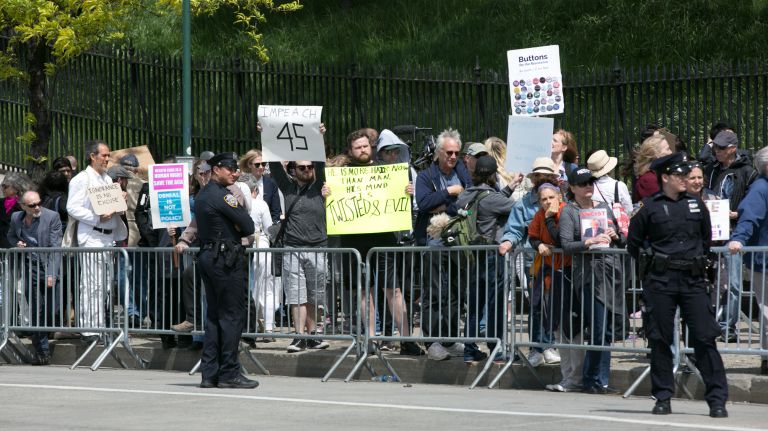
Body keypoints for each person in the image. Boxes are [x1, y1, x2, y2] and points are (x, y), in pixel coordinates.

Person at [627, 152, 728, 418]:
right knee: (660, 339)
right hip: (661, 281)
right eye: (680, 175)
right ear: (666, 177)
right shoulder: (649, 207)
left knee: (705, 337)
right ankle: (662, 397)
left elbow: (706, 240)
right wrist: (654, 266)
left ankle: (717, 399)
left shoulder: (696, 205)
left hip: (693, 280)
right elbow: (633, 244)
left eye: (687, 174)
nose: (686, 179)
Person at [326, 130, 423, 356]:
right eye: (357, 147)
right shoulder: (342, 174)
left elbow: (405, 203)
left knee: (393, 290)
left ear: (371, 148)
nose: (362, 150)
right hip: (354, 239)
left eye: (365, 146)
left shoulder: (387, 171)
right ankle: (370, 338)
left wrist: (407, 192)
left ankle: (406, 339)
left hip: (383, 238)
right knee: (363, 292)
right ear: (350, 151)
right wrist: (327, 193)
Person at [194, 152, 258, 389]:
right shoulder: (223, 196)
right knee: (231, 317)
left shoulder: (202, 194)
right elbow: (249, 226)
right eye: (230, 169)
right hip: (225, 259)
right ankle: (229, 373)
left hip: (210, 255)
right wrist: (237, 225)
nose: (235, 173)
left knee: (214, 316)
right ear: (217, 169)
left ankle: (210, 373)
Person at [560, 167, 626, 394]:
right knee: (598, 327)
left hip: (610, 272)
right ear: (573, 188)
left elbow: (620, 238)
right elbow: (567, 245)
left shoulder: (603, 207)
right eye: (582, 183)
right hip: (587, 276)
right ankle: (591, 378)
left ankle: (602, 380)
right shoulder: (569, 211)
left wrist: (617, 236)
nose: (588, 186)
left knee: (607, 330)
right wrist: (588, 242)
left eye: (590, 182)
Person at [415, 128, 472, 361]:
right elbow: (424, 202)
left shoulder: (463, 171)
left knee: (456, 291)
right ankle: (432, 341)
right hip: (434, 242)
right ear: (438, 152)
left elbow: (468, 202)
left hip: (458, 241)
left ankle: (449, 337)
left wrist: (445, 205)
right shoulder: (425, 176)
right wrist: (449, 192)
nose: (453, 156)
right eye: (448, 152)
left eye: (456, 152)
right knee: (435, 292)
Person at [497, 157, 560, 366]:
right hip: (533, 262)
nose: (542, 179)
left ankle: (550, 344)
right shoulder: (523, 203)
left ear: (553, 177)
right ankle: (536, 347)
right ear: (533, 179)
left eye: (546, 175)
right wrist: (507, 242)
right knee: (535, 305)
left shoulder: (561, 199)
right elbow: (514, 229)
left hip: (559, 261)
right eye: (538, 176)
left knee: (553, 305)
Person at [66, 140, 128, 343]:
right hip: (92, 234)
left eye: (108, 155)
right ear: (92, 156)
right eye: (104, 155)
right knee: (91, 284)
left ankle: (99, 327)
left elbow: (112, 208)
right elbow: (72, 207)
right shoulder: (82, 179)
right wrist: (97, 217)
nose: (107, 159)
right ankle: (89, 329)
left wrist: (121, 203)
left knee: (104, 285)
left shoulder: (107, 180)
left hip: (107, 237)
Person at [454, 156, 514, 363]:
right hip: (491, 255)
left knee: (474, 305)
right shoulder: (493, 198)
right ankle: (496, 348)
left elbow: (490, 203)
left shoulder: (465, 195)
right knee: (495, 304)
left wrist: (508, 189)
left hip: (472, 255)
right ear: (492, 175)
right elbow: (513, 207)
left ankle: (470, 349)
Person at [268, 156, 329, 353]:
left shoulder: (320, 185)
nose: (306, 170)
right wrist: (266, 135)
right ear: (293, 169)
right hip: (293, 248)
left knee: (314, 295)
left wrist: (318, 136)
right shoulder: (287, 187)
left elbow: (320, 162)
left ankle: (312, 336)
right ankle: (298, 336)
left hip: (318, 248)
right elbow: (275, 166)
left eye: (310, 167)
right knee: (296, 295)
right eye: (302, 167)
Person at [703, 130, 758, 340]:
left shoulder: (747, 171)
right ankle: (709, 323)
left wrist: (736, 213)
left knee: (733, 283)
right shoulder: (711, 169)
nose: (716, 151)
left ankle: (728, 326)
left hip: (732, 233)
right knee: (709, 281)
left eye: (721, 148)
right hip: (710, 232)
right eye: (715, 147)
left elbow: (752, 203)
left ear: (732, 149)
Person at [530, 183, 581, 391]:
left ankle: (575, 377)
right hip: (552, 276)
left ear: (559, 197)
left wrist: (551, 217)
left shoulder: (566, 212)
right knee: (559, 328)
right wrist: (538, 245)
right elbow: (532, 235)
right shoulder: (540, 215)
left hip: (570, 274)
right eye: (543, 199)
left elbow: (562, 241)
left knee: (572, 329)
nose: (548, 202)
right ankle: (566, 376)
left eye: (551, 197)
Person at [7, 190, 63, 365]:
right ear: (22, 206)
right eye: (32, 205)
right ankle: (42, 351)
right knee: (35, 311)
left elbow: (55, 247)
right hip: (29, 268)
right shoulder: (16, 217)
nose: (37, 207)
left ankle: (41, 341)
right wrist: (17, 243)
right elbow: (10, 235)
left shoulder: (52, 217)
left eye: (39, 203)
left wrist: (51, 273)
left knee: (51, 311)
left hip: (47, 267)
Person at [727, 145, 768, 375]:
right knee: (767, 312)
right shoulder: (760, 189)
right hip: (764, 263)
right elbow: (748, 216)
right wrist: (739, 239)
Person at [239, 150, 282, 224]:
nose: (261, 167)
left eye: (263, 164)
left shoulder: (271, 183)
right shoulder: (241, 183)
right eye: (257, 164)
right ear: (249, 165)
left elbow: (276, 210)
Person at [631, 135, 673, 202]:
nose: (671, 152)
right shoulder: (649, 179)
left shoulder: (658, 174)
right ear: (656, 154)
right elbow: (660, 206)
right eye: (668, 149)